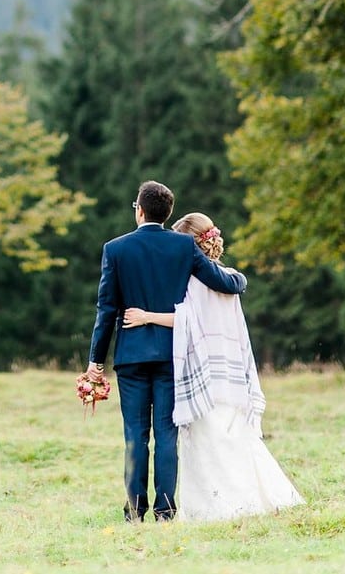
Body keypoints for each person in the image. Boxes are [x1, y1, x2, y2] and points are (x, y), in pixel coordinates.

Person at [122, 211, 304, 521]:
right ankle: (256, 499)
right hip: (230, 372)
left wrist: (146, 317)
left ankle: (219, 507)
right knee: (233, 440)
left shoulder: (194, 280)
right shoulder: (228, 276)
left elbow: (189, 320)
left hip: (204, 371)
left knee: (209, 443)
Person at [84, 180, 247, 522]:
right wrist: (241, 280)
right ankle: (166, 510)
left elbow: (106, 310)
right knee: (166, 435)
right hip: (173, 355)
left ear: (140, 210)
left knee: (135, 436)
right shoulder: (184, 246)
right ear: (167, 213)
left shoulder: (115, 249)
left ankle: (134, 510)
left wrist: (95, 361)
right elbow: (224, 282)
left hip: (130, 357)